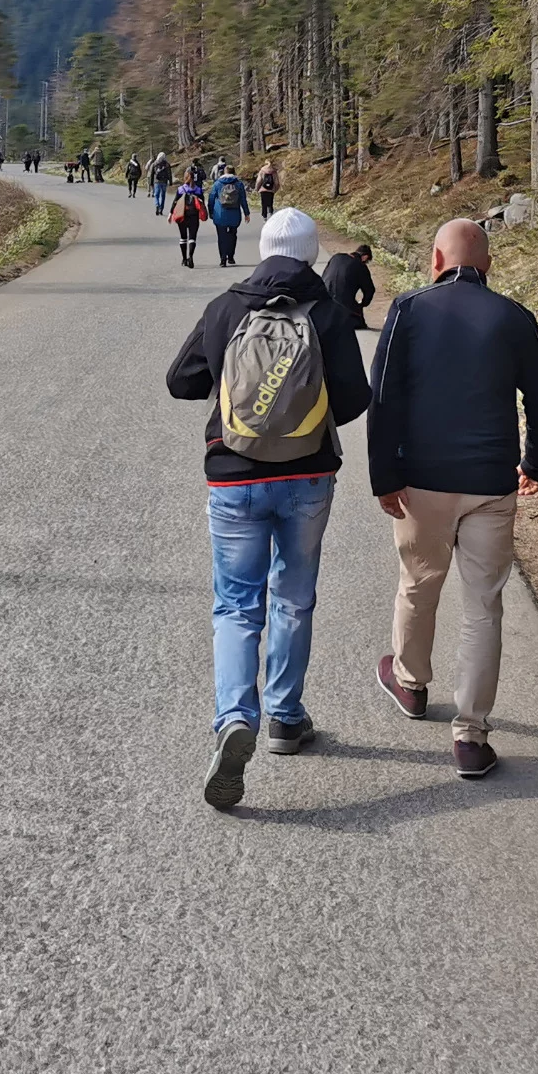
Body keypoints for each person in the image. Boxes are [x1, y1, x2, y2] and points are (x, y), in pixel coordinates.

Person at [166, 207, 373, 811]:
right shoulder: (329, 314)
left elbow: (180, 381)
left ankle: (235, 716)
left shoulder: (227, 307)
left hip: (232, 478)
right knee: (293, 596)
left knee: (235, 604)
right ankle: (284, 717)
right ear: (310, 255)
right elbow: (356, 400)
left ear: (263, 249)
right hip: (308, 476)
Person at [366, 217, 538, 781]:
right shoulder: (514, 317)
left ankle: (410, 683)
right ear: (488, 265)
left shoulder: (408, 310)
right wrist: (536, 462)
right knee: (484, 607)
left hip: (421, 480)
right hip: (490, 484)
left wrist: (385, 476)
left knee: (419, 582)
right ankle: (471, 736)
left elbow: (383, 399)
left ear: (435, 259)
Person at [322, 242, 377, 331]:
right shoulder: (360, 266)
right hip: (343, 304)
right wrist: (363, 303)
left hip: (323, 300)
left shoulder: (336, 257)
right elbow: (369, 290)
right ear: (365, 257)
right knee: (357, 321)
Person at [205, 163, 250, 269]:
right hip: (234, 213)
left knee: (222, 237)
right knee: (233, 235)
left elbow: (211, 198)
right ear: (234, 172)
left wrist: (210, 211)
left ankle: (223, 259)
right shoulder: (238, 184)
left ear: (224, 172)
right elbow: (243, 199)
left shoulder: (217, 183)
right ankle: (231, 256)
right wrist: (246, 213)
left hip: (220, 213)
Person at [169, 179, 205, 267]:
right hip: (194, 216)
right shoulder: (198, 190)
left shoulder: (180, 189)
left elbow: (175, 202)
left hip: (182, 215)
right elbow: (202, 203)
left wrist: (170, 213)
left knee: (183, 237)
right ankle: (191, 256)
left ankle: (184, 259)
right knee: (192, 237)